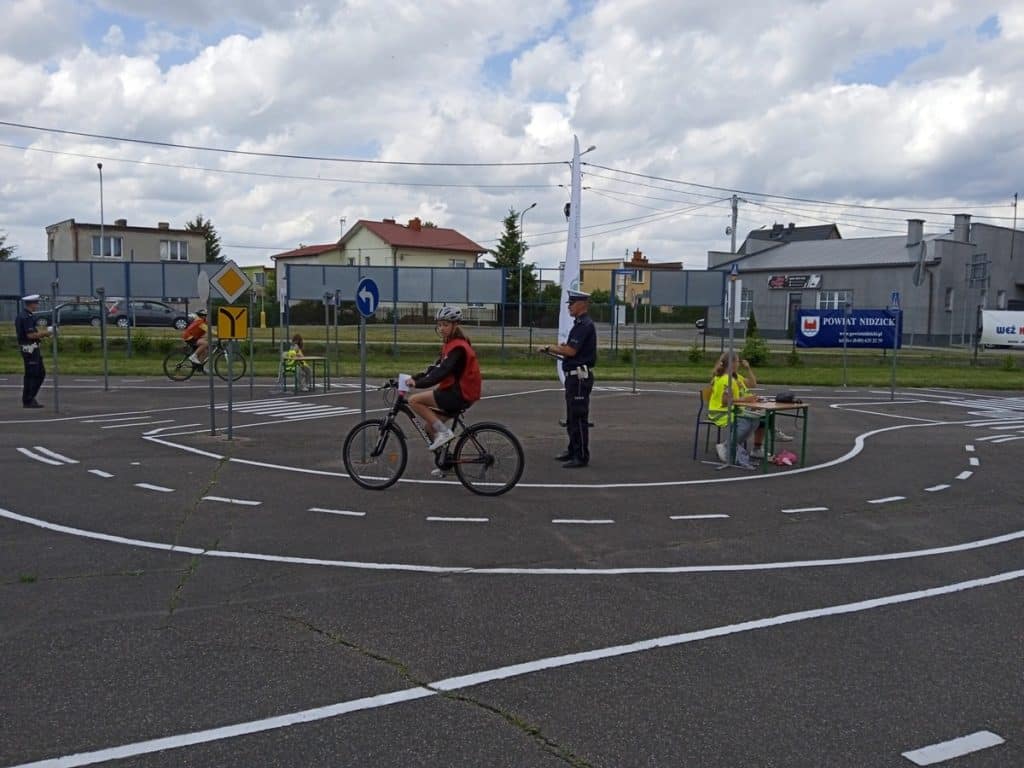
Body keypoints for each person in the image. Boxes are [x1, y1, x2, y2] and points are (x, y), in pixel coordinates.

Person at [406, 306, 482, 450]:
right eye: (439, 325)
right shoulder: (450, 344)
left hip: (459, 394)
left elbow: (442, 372)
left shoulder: (458, 347)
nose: (441, 328)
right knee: (429, 427)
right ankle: (444, 464)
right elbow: (434, 368)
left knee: (414, 400)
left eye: (445, 325)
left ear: (455, 325)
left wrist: (417, 384)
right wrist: (413, 378)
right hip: (460, 394)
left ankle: (444, 433)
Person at [542, 289, 598, 468]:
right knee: (572, 417)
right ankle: (573, 449)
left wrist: (550, 347)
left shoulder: (584, 325)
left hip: (579, 378)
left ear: (582, 304)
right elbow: (572, 349)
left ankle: (581, 455)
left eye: (572, 303)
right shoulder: (580, 324)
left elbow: (571, 351)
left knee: (579, 417)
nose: (569, 307)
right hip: (574, 378)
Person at [708, 351, 765, 468]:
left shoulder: (734, 377)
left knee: (756, 420)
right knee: (746, 421)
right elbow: (725, 401)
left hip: (734, 409)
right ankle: (727, 445)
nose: (739, 364)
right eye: (738, 361)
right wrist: (745, 400)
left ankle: (731, 446)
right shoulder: (726, 380)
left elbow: (752, 384)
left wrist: (747, 400)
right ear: (732, 363)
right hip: (721, 412)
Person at [15, 294, 52, 408]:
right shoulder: (26, 317)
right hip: (29, 348)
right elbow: (30, 335)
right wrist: (46, 332)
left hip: (31, 348)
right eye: (36, 303)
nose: (37, 305)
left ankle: (30, 398)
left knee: (39, 373)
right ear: (31, 304)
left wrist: (41, 335)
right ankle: (28, 399)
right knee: (33, 374)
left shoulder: (26, 315)